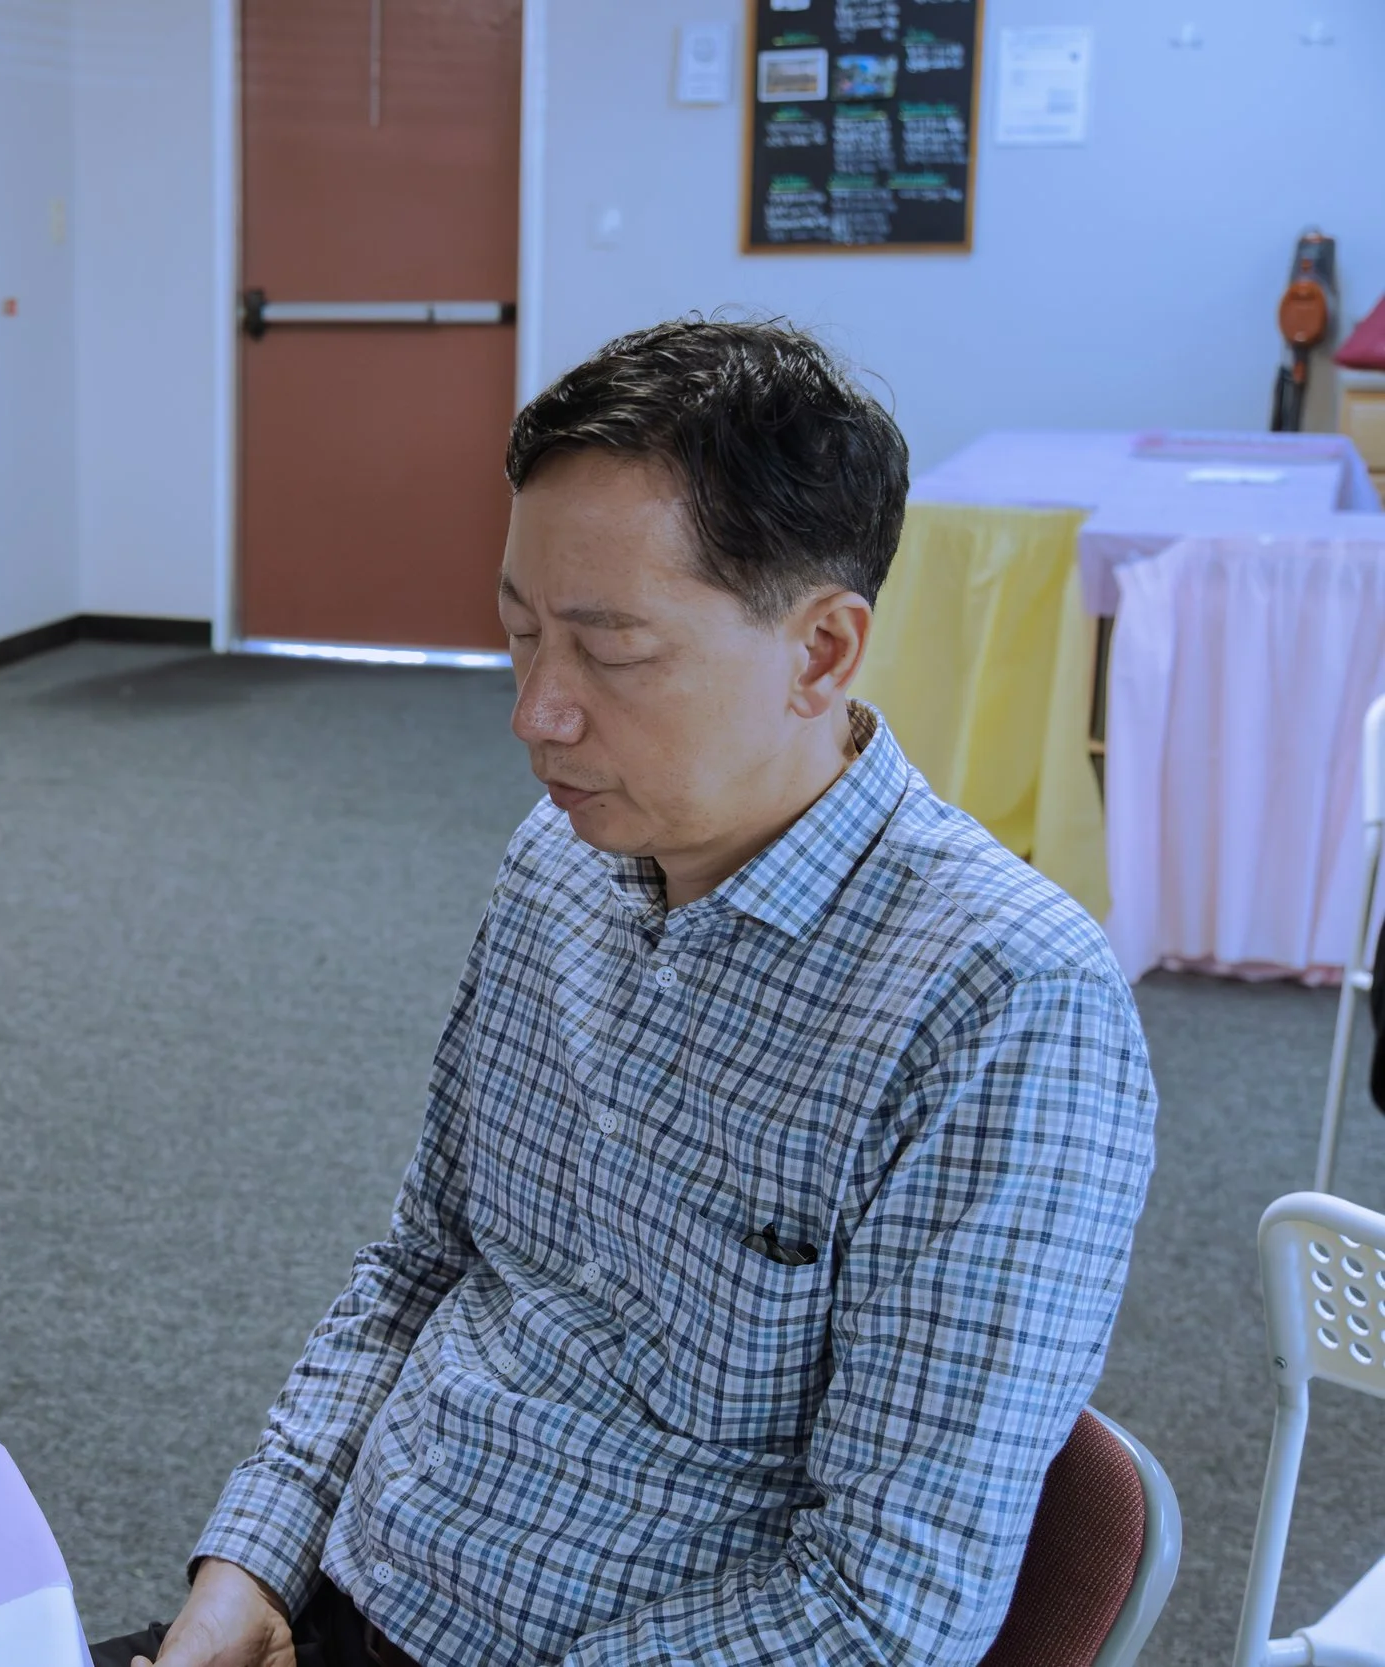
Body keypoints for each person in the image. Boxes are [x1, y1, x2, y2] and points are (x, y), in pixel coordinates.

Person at [98, 319, 1157, 1666]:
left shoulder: (1005, 1006)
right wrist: (252, 1559)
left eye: (610, 650)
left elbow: (884, 1603)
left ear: (821, 652)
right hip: (343, 1594)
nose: (536, 711)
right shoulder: (561, 862)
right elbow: (424, 1263)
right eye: (519, 632)